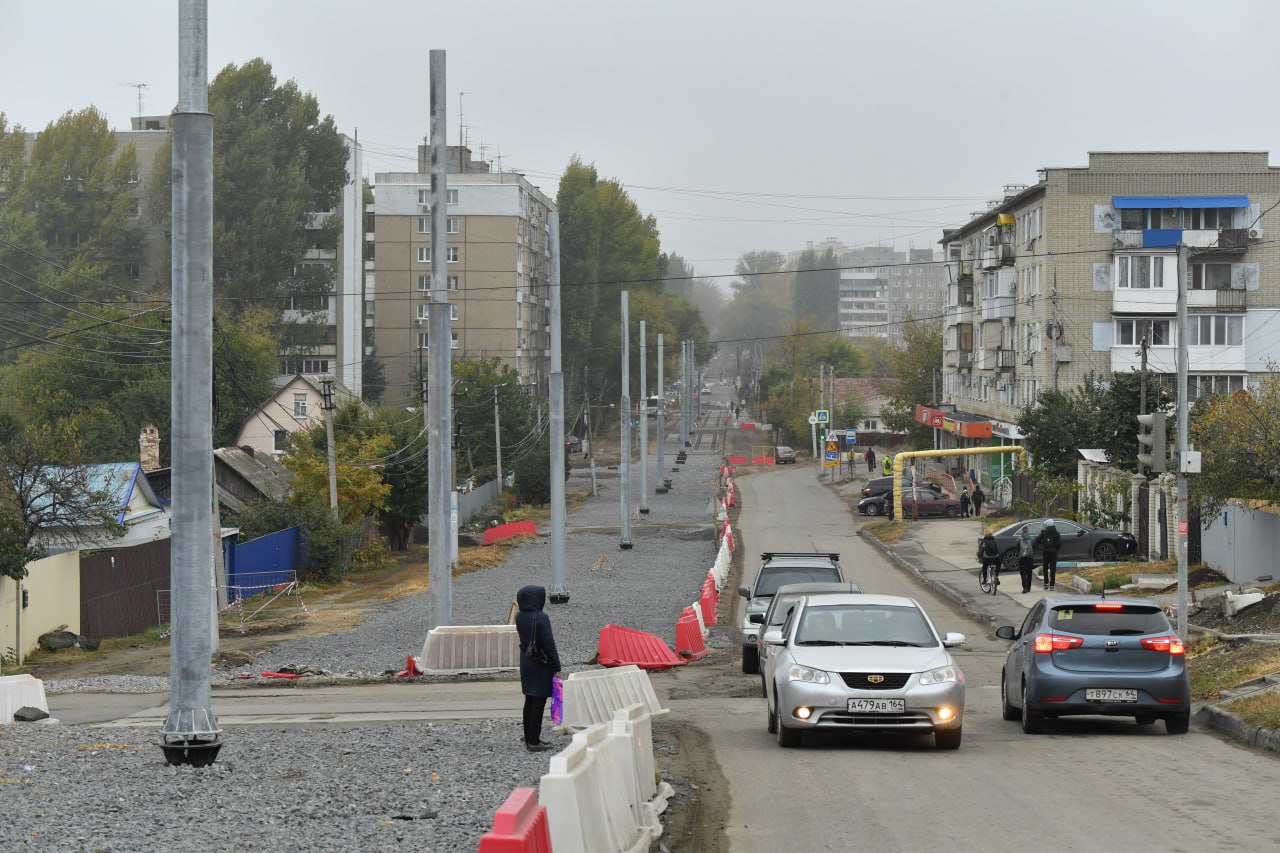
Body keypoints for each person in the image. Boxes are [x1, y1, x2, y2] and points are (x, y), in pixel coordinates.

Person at [515, 584, 562, 751]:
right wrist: (557, 665)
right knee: (539, 701)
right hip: (540, 664)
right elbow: (549, 644)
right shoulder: (541, 617)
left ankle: (529, 736)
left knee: (529, 699)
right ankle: (534, 742)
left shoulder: (519, 616)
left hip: (526, 661)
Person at [1035, 518, 1062, 591]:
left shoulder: (1044, 532)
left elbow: (1037, 539)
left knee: (1045, 568)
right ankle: (1052, 586)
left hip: (1045, 552)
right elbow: (1059, 544)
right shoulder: (1057, 533)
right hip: (1053, 553)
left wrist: (1042, 544)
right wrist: (1055, 549)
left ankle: (1046, 584)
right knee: (1053, 569)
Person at [1016, 524, 1037, 593]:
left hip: (1022, 558)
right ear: (1028, 531)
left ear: (1022, 531)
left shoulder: (1019, 539)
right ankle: (1029, 587)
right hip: (1030, 557)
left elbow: (1017, 548)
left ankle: (1024, 588)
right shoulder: (1032, 538)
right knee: (1029, 573)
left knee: (1023, 573)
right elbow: (1034, 547)